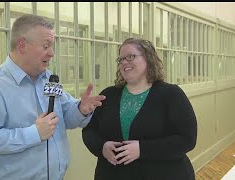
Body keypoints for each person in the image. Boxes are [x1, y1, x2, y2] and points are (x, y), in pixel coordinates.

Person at [0, 14, 105, 180]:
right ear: (22, 45)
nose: (52, 53)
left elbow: (66, 115)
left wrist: (81, 109)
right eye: (46, 46)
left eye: (52, 46)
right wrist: (34, 133)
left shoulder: (48, 78)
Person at [82, 38, 197, 180]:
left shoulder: (171, 94)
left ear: (148, 59)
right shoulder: (108, 95)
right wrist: (102, 147)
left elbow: (187, 139)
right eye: (121, 59)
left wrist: (142, 149)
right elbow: (89, 130)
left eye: (130, 57)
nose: (124, 62)